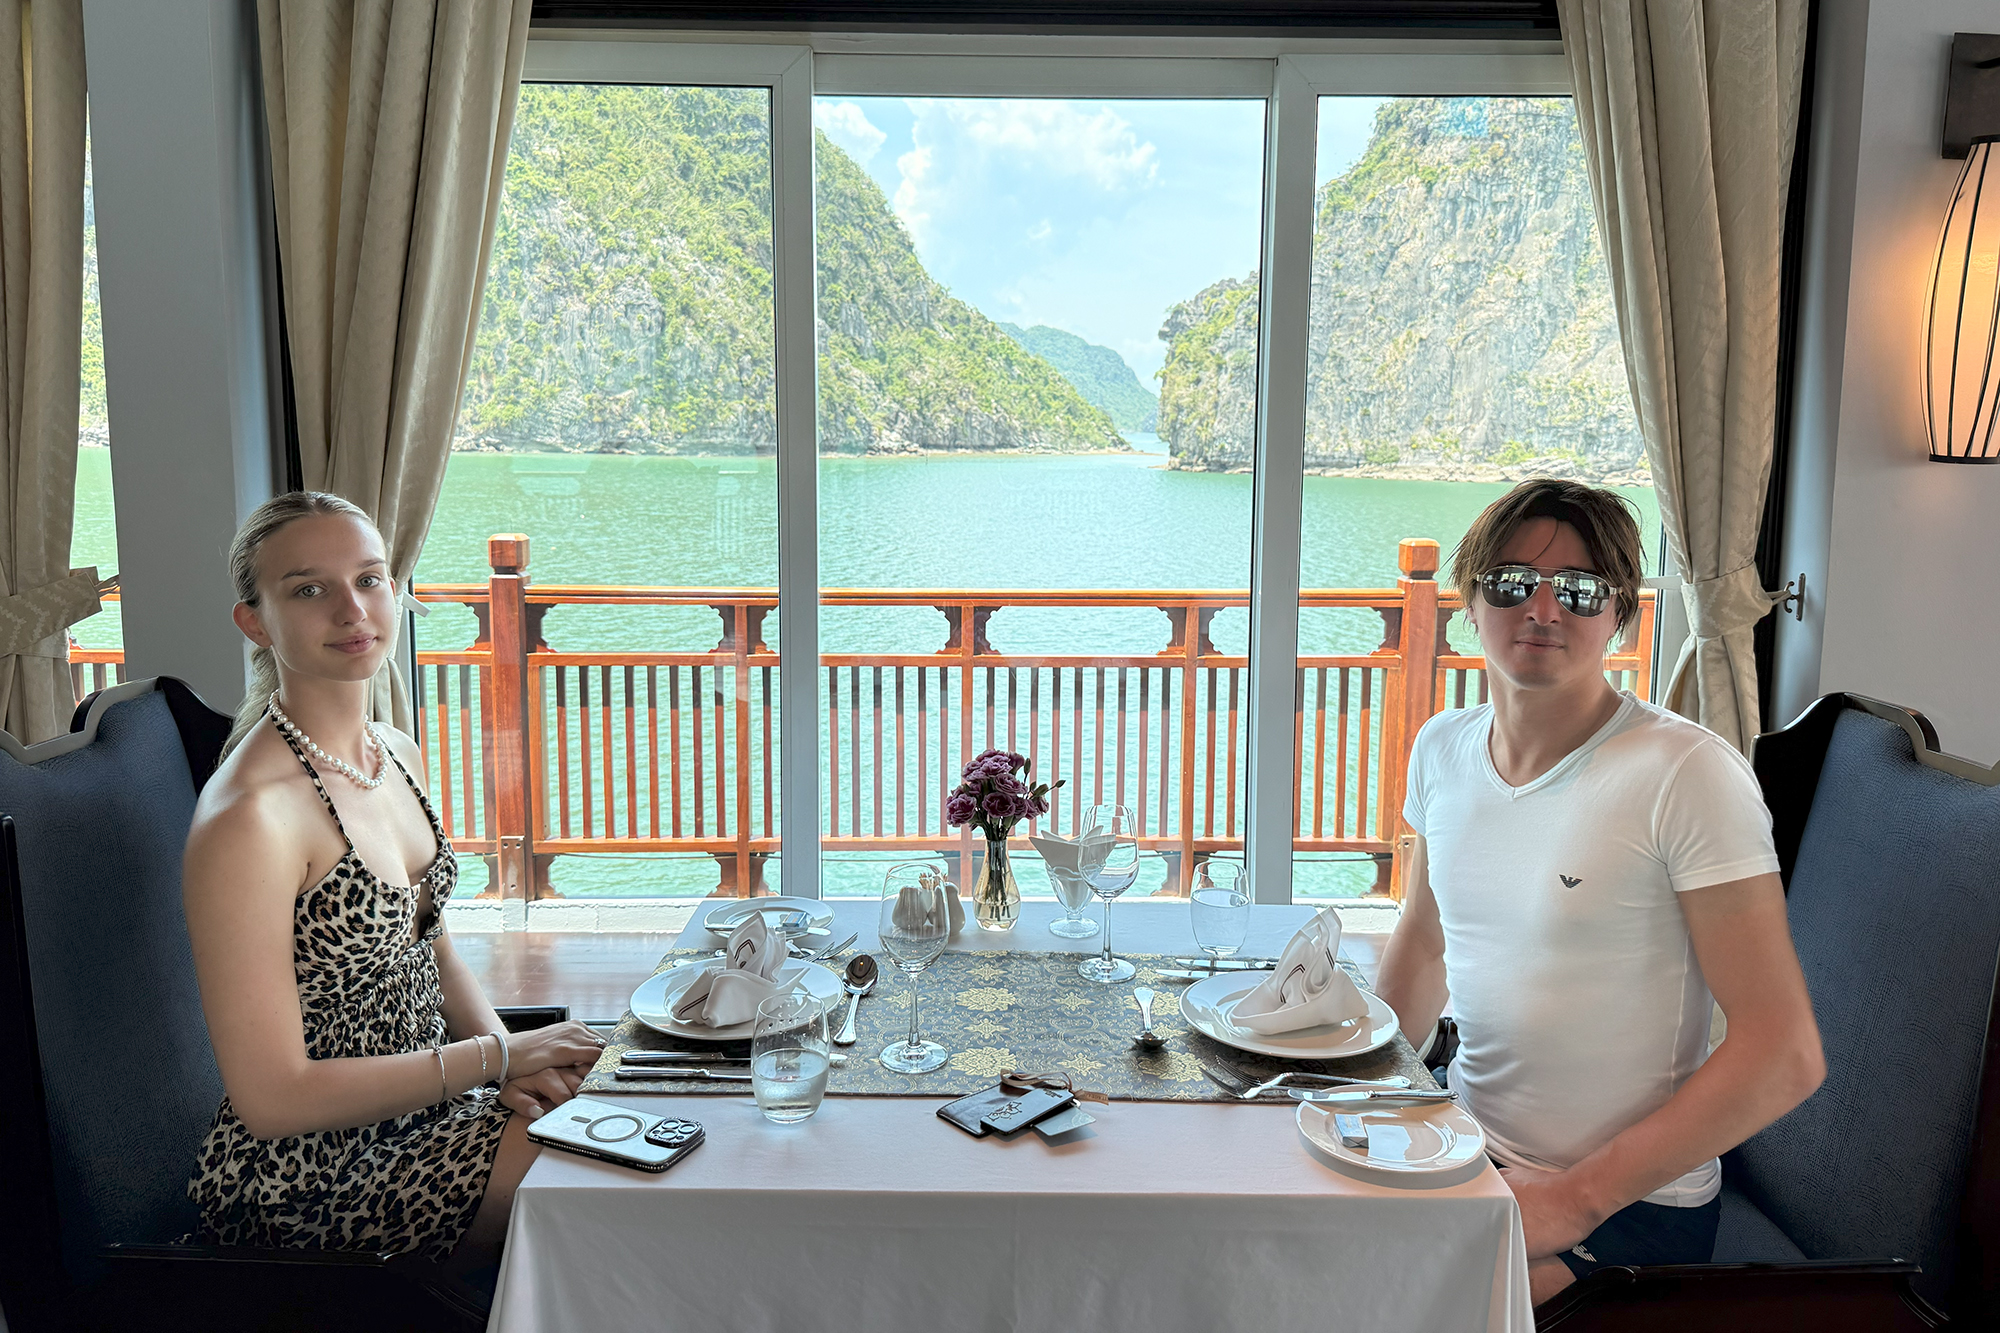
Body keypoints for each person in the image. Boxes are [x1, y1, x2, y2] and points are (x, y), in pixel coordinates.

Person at [1372, 478, 1825, 1305]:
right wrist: (1361, 1095)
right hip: (1464, 1150)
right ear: (1470, 600)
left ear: (1617, 613)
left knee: (1372, 1300)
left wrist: (1570, 1199)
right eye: (1512, 582)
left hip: (1627, 1207)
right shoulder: (1442, 747)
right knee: (1265, 1240)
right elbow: (1426, 941)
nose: (1543, 609)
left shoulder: (1686, 773)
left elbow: (1783, 1052)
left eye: (1580, 590)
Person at [183, 491, 605, 1283]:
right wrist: (495, 1055)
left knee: (627, 1110)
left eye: (370, 578)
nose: (352, 609)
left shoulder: (395, 752)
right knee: (599, 1169)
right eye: (310, 589)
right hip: (313, 1172)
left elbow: (432, 945)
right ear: (255, 622)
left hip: (436, 1107)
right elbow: (272, 1098)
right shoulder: (249, 816)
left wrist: (513, 1067)